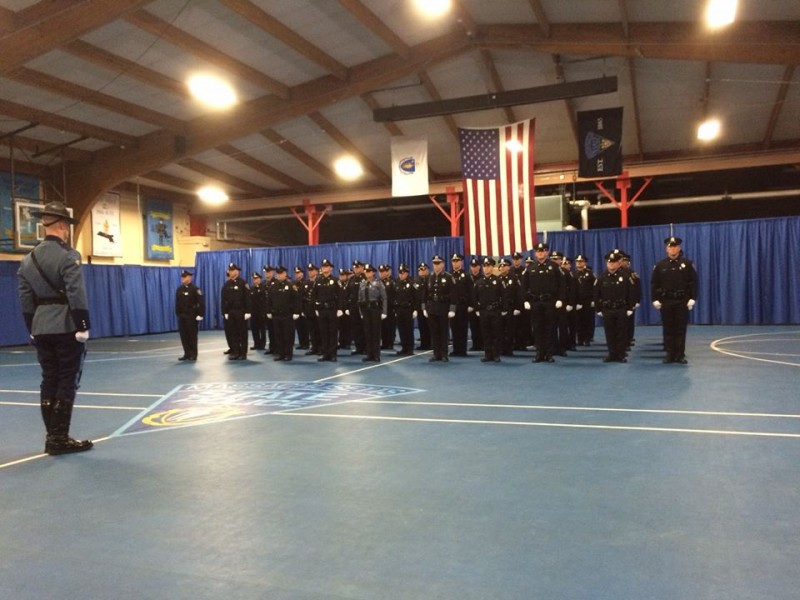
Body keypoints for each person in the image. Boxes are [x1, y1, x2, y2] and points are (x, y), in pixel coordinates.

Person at [17, 201, 93, 455]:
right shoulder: (69, 256)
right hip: (65, 324)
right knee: (67, 379)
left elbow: (26, 300)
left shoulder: (28, 260)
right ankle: (59, 438)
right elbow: (76, 293)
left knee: (49, 378)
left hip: (40, 326)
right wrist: (83, 324)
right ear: (62, 226)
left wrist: (31, 327)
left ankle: (53, 436)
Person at [651, 236, 698, 364]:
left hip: (682, 301)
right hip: (666, 301)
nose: (673, 249)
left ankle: (680, 355)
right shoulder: (660, 265)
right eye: (670, 247)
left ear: (679, 248)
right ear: (666, 249)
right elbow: (654, 283)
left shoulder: (687, 264)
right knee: (668, 328)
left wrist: (693, 298)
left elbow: (693, 282)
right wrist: (654, 299)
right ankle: (670, 354)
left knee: (680, 329)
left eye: (675, 246)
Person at [520, 242, 564, 363]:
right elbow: (524, 286)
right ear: (535, 253)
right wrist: (525, 300)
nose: (540, 253)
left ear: (547, 252)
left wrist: (560, 299)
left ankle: (549, 353)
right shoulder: (530, 268)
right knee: (537, 328)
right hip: (535, 302)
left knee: (550, 328)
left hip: (550, 302)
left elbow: (562, 285)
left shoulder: (554, 267)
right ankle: (539, 353)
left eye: (543, 250)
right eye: (538, 251)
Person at [594, 250, 636, 363]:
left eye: (613, 262)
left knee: (621, 332)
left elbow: (631, 293)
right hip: (607, 309)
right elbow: (596, 294)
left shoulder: (626, 277)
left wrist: (630, 308)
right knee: (609, 333)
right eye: (609, 263)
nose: (611, 265)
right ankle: (612, 354)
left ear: (618, 263)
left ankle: (621, 354)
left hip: (621, 308)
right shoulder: (601, 277)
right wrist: (598, 309)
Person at [423, 255, 456, 362]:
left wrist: (452, 309)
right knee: (434, 332)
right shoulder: (429, 277)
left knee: (443, 332)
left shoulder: (448, 277)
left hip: (443, 308)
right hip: (432, 308)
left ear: (442, 264)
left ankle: (444, 354)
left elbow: (453, 294)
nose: (436, 265)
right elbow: (425, 294)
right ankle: (436, 354)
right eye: (434, 263)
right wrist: (424, 308)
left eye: (438, 263)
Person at [472, 257, 505, 362]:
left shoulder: (498, 280)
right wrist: (477, 309)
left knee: (496, 333)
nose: (486, 268)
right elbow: (474, 297)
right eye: (485, 266)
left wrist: (504, 309)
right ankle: (488, 354)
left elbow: (504, 296)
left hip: (495, 310)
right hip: (483, 311)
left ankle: (496, 355)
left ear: (492, 267)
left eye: (488, 266)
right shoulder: (478, 282)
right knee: (486, 334)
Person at [266, 266, 301, 361]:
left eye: (281, 273)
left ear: (285, 274)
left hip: (287, 315)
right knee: (278, 335)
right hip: (276, 315)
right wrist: (268, 311)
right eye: (278, 274)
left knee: (287, 335)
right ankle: (280, 353)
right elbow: (269, 300)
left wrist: (297, 312)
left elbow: (296, 300)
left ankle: (288, 354)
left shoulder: (291, 285)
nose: (279, 275)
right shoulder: (273, 286)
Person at [312, 259, 342, 362]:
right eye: (323, 266)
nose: (325, 268)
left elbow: (341, 295)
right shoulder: (318, 280)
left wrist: (340, 309)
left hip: (332, 309)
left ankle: (333, 354)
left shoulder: (335, 280)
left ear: (331, 268)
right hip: (322, 310)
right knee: (323, 332)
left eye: (326, 266)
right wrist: (316, 308)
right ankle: (325, 354)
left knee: (332, 332)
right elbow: (314, 295)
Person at [221, 262, 251, 360]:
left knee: (242, 333)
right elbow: (224, 300)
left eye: (233, 270)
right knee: (233, 333)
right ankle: (235, 351)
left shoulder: (243, 283)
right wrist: (224, 312)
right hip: (231, 312)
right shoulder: (227, 284)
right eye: (230, 270)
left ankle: (243, 352)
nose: (231, 272)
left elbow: (247, 298)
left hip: (240, 312)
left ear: (237, 271)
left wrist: (248, 311)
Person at [359, 264, 388, 362]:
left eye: (369, 271)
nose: (367, 273)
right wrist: (361, 312)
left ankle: (376, 354)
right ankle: (369, 354)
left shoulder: (378, 283)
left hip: (375, 310)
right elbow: (359, 300)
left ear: (373, 272)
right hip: (366, 310)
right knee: (367, 332)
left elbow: (384, 298)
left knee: (376, 332)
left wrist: (384, 311)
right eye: (366, 271)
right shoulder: (362, 284)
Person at [175, 269, 204, 361]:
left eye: (185, 277)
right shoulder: (179, 289)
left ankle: (193, 354)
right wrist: (178, 313)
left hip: (191, 315)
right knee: (184, 336)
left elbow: (201, 302)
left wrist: (200, 314)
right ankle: (186, 353)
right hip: (182, 316)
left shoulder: (195, 289)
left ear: (189, 277)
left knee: (192, 335)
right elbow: (177, 303)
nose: (183, 278)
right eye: (182, 277)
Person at [449, 253, 471, 357]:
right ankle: (456, 349)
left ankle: (462, 350)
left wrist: (471, 305)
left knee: (463, 328)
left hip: (463, 305)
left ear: (461, 262)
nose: (455, 263)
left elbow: (471, 292)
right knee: (454, 328)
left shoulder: (466, 276)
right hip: (452, 307)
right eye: (453, 261)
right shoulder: (449, 275)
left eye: (457, 261)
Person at [393, 263, 417, 356]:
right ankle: (404, 347)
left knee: (408, 329)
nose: (401, 275)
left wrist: (415, 309)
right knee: (401, 329)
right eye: (400, 273)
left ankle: (410, 348)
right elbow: (394, 297)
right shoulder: (397, 283)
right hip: (399, 309)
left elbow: (416, 297)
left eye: (403, 273)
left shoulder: (412, 283)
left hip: (408, 309)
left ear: (407, 273)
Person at [573, 254, 596, 346]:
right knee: (578, 320)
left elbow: (594, 288)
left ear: (585, 262)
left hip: (588, 301)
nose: (579, 263)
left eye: (581, 261)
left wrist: (594, 300)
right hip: (577, 301)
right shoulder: (573, 274)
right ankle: (580, 338)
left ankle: (587, 338)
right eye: (577, 262)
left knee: (588, 319)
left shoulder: (590, 274)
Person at [467, 257, 484, 352]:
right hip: (471, 307)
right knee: (473, 327)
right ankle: (475, 344)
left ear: (479, 267)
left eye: (476, 266)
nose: (474, 268)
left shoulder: (482, 278)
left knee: (482, 326)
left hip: (481, 307)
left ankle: (483, 344)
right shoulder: (468, 278)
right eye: (472, 266)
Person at [379, 264, 396, 350]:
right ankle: (384, 342)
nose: (382, 273)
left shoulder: (392, 282)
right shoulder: (377, 282)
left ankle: (390, 342)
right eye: (380, 272)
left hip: (390, 308)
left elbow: (394, 295)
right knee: (383, 326)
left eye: (384, 271)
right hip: (381, 308)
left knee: (390, 326)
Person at [249, 272, 267, 351]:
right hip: (254, 312)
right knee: (254, 329)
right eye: (254, 279)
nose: (255, 280)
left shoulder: (264, 288)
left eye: (256, 279)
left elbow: (265, 301)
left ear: (260, 278)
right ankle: (256, 343)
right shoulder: (251, 289)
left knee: (262, 329)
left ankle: (262, 344)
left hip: (261, 312)